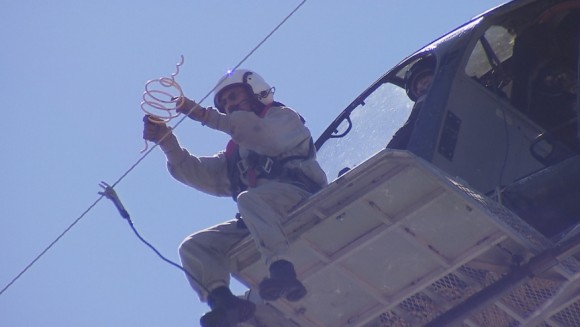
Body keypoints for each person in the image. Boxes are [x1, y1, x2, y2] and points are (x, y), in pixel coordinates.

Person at [142, 69, 328, 327]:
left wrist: (202, 114)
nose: (230, 106)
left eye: (234, 97)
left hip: (298, 196)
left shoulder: (283, 118)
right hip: (261, 218)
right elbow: (198, 173)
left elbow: (262, 135)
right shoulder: (237, 153)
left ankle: (282, 270)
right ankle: (225, 304)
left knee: (249, 199)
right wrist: (166, 141)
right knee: (195, 246)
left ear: (256, 92)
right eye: (225, 103)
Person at [387, 55, 436, 149]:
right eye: (421, 92)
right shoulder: (423, 122)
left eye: (423, 78)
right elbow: (396, 147)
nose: (422, 86)